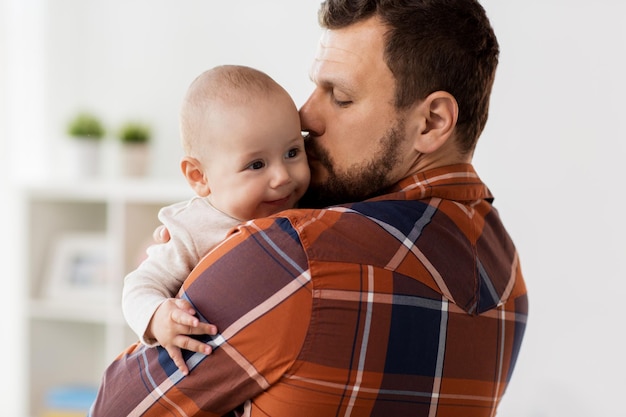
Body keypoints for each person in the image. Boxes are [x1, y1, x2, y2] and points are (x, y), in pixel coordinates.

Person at [90, 1, 529, 416]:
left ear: (432, 122)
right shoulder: (506, 274)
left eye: (339, 96)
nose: (304, 116)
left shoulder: (296, 254)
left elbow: (116, 406)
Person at [121, 64, 310, 376]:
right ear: (199, 177)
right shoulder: (192, 229)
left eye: (292, 152)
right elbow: (139, 284)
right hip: (213, 365)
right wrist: (158, 317)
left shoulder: (306, 201)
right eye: (257, 164)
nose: (282, 176)